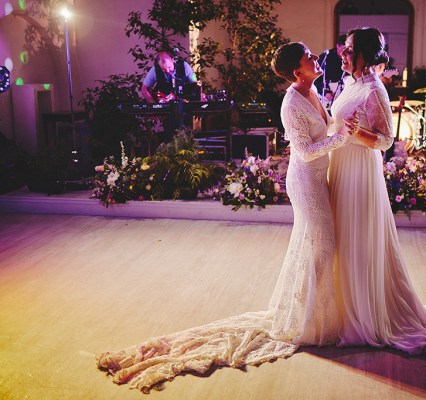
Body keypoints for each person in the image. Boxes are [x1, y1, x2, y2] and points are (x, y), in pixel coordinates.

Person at [96, 42, 349, 392]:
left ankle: (311, 312)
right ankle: (309, 319)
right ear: (297, 71)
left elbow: (323, 128)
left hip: (319, 178)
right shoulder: (290, 103)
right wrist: (342, 137)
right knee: (323, 243)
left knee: (317, 244)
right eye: (309, 56)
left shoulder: (313, 90)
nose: (316, 58)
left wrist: (340, 125)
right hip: (306, 182)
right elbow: (304, 152)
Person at [328, 27, 426, 361]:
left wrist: (357, 133)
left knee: (357, 242)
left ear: (365, 55)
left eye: (349, 48)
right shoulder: (351, 84)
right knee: (342, 241)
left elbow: (384, 141)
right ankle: (341, 307)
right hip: (340, 168)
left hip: (358, 172)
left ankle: (363, 315)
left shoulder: (375, 90)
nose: (342, 51)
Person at [141, 51, 204, 142]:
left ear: (172, 60)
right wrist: (154, 108)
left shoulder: (184, 66)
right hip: (167, 110)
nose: (168, 71)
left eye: (169, 67)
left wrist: (199, 102)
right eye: (164, 70)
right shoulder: (155, 69)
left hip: (184, 108)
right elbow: (144, 89)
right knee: (169, 137)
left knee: (186, 135)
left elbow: (196, 86)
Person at [314, 34, 347, 104]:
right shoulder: (325, 58)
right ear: (337, 45)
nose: (345, 54)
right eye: (343, 49)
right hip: (329, 97)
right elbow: (316, 79)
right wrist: (326, 92)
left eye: (348, 50)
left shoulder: (351, 58)